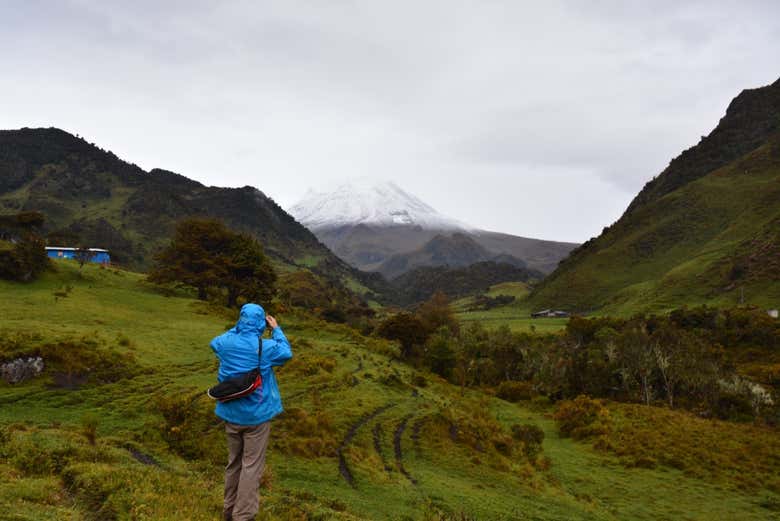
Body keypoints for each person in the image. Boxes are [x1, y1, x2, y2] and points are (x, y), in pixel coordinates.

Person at [210, 303, 293, 521]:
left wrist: (238, 328)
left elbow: (214, 342)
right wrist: (275, 329)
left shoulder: (225, 343)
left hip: (230, 414)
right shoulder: (264, 348)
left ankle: (229, 511)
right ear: (260, 323)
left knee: (234, 463)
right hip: (256, 417)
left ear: (240, 320)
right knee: (251, 467)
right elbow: (286, 353)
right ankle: (243, 516)